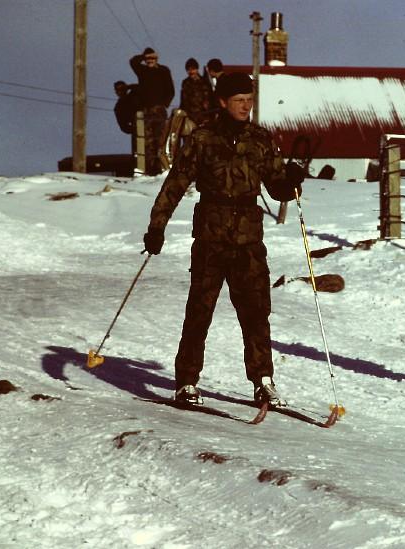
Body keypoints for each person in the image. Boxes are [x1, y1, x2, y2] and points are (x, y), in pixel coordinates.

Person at [141, 72, 306, 407]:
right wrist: (157, 226)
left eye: (249, 100)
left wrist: (291, 180)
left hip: (248, 238)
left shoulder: (261, 139)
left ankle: (263, 381)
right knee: (200, 310)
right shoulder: (202, 138)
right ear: (223, 102)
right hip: (211, 236)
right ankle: (186, 382)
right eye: (238, 100)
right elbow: (175, 183)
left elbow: (277, 188)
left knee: (256, 311)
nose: (245, 106)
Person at [130, 47, 175, 175]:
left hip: (159, 111)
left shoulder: (163, 71)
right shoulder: (142, 70)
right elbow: (133, 62)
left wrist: (164, 104)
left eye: (152, 58)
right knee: (147, 142)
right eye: (148, 58)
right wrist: (144, 55)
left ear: (157, 58)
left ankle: (161, 169)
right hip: (146, 112)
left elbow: (170, 90)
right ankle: (149, 170)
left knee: (160, 140)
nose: (150, 60)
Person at [179, 58, 212, 125]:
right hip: (189, 116)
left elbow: (210, 99)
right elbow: (183, 100)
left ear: (197, 69)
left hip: (203, 115)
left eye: (193, 69)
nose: (191, 72)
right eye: (188, 70)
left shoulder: (205, 82)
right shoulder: (185, 82)